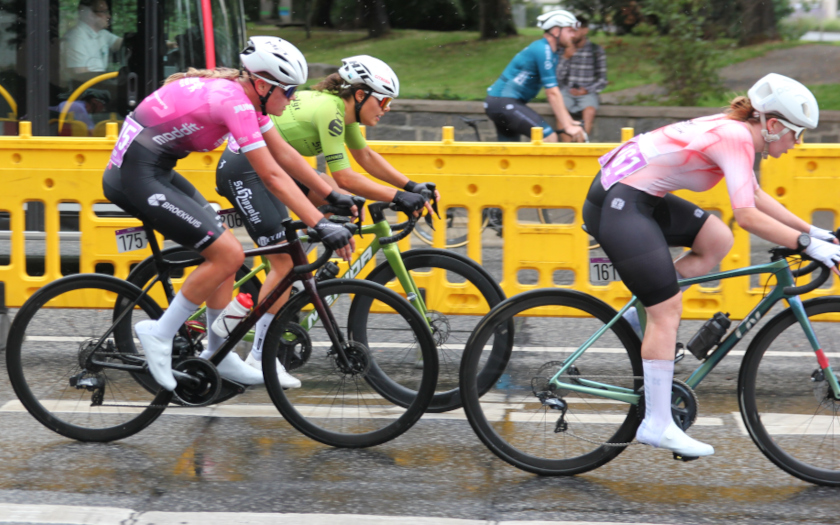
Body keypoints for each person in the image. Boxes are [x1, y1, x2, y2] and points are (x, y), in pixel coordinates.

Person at [581, 73, 840, 458]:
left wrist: (813, 232)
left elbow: (753, 194)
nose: (797, 143)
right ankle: (656, 423)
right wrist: (806, 245)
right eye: (796, 133)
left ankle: (638, 318)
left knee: (717, 239)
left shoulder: (739, 133)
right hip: (617, 203)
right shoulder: (735, 137)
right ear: (773, 126)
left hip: (637, 196)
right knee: (668, 309)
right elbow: (747, 216)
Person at [102, 36, 358, 392]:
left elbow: (285, 155)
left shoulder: (249, 100)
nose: (293, 98)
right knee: (228, 254)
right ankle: (159, 333)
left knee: (223, 249)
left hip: (155, 169)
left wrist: (332, 195)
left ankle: (217, 351)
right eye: (288, 90)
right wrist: (321, 223)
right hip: (135, 176)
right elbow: (271, 176)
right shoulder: (234, 103)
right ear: (264, 85)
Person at [216, 55, 437, 385]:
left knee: (336, 203)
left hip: (274, 169)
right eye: (384, 100)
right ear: (360, 95)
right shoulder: (330, 110)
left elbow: (365, 156)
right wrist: (397, 196)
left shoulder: (342, 111)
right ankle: (262, 357)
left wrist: (410, 186)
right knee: (284, 262)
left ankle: (299, 280)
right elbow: (346, 176)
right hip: (246, 171)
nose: (387, 108)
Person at [484, 10, 585, 143]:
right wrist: (567, 126)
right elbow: (552, 93)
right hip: (504, 103)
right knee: (549, 138)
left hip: (499, 103)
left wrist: (569, 121)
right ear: (556, 31)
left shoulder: (550, 52)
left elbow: (555, 92)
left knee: (509, 152)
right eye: (570, 30)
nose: (574, 35)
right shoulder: (543, 50)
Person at [556, 15, 607, 139]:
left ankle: (581, 145)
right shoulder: (562, 50)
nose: (572, 35)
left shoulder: (596, 50)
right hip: (566, 91)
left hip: (587, 92)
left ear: (585, 30)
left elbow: (602, 80)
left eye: (575, 30)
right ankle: (566, 148)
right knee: (561, 110)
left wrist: (586, 90)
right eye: (570, 31)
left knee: (589, 111)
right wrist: (565, 57)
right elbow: (556, 78)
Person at [64, 0, 123, 78]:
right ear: (90, 14)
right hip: (89, 84)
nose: (109, 16)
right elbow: (82, 77)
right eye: (104, 12)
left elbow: (122, 44)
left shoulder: (102, 33)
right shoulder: (76, 38)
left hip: (99, 82)